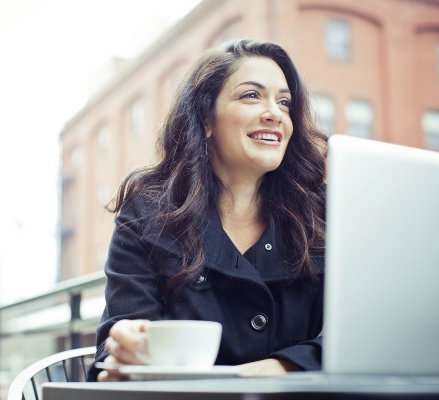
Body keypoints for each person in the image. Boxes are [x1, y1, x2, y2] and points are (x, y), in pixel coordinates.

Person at [87, 39, 327, 382]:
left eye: (285, 102)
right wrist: (124, 349)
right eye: (251, 95)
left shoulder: (324, 214)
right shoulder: (146, 210)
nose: (275, 113)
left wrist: (282, 366)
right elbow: (117, 346)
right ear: (206, 119)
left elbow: (365, 335)